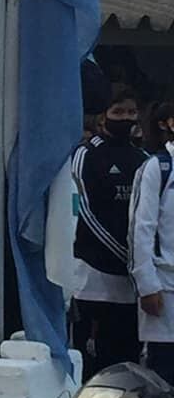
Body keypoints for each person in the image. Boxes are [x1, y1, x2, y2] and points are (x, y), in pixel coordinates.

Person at [72, 88, 146, 376]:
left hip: (131, 281)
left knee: (126, 358)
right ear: (103, 116)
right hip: (93, 276)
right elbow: (86, 212)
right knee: (92, 361)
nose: (126, 119)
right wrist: (124, 254)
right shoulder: (86, 155)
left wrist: (140, 262)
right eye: (118, 113)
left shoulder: (142, 158)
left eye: (131, 113)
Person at [129, 101, 174, 383]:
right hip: (166, 288)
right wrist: (146, 285)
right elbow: (141, 229)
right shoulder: (157, 168)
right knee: (164, 377)